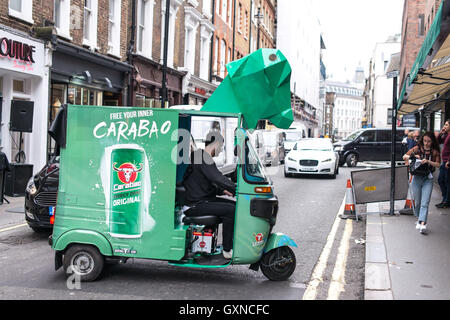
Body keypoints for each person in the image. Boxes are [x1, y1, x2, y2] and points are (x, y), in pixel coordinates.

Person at [182, 131, 237, 259]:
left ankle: (226, 244)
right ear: (216, 144)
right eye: (221, 147)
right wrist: (235, 188)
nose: (220, 150)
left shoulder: (200, 156)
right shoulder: (202, 157)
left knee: (235, 205)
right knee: (232, 210)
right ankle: (228, 250)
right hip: (195, 205)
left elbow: (205, 184)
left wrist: (223, 191)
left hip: (201, 201)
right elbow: (217, 178)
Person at [403, 132, 441, 234]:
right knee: (418, 202)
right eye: (425, 141)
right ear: (422, 140)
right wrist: (414, 157)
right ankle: (419, 217)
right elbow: (404, 156)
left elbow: (438, 164)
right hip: (416, 178)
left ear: (432, 141)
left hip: (428, 179)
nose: (426, 143)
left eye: (429, 141)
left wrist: (428, 162)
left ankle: (422, 223)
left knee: (425, 203)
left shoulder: (435, 152)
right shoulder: (417, 148)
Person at [436, 120, 450, 208]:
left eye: (446, 125)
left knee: (447, 182)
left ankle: (447, 201)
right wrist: (441, 133)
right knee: (441, 180)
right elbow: (437, 142)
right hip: (444, 161)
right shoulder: (447, 135)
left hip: (447, 162)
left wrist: (449, 160)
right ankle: (445, 199)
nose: (444, 126)